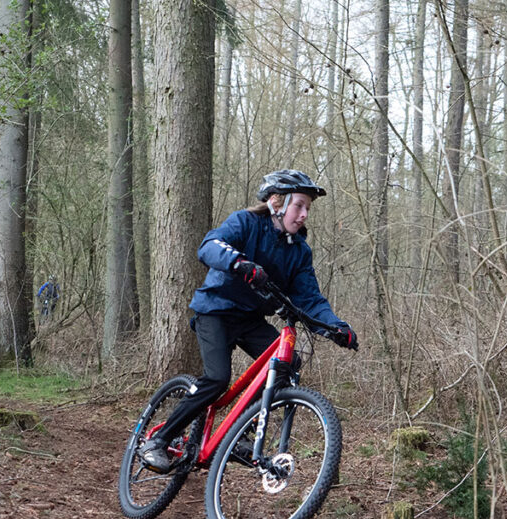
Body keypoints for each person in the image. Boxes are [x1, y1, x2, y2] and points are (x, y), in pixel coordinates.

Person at [139, 169, 357, 472]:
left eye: (308, 208)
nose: (305, 214)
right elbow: (210, 245)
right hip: (215, 310)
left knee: (287, 364)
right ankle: (159, 440)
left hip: (250, 319)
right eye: (299, 205)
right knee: (216, 380)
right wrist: (238, 262)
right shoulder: (246, 223)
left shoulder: (299, 251)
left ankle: (240, 434)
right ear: (276, 203)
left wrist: (335, 327)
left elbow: (310, 299)